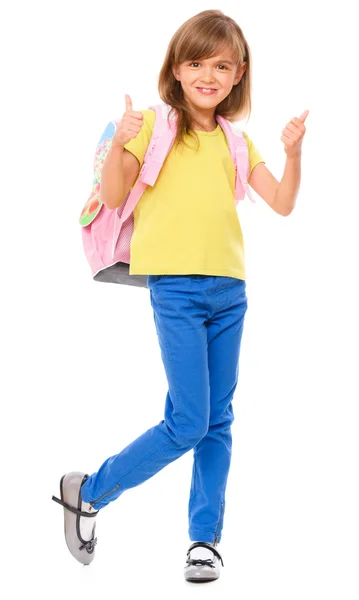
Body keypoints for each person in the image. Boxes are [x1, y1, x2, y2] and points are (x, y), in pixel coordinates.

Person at [52, 9, 308, 583]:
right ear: (175, 67)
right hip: (175, 289)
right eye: (196, 62)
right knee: (190, 421)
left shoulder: (238, 141)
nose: (208, 75)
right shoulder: (151, 124)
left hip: (231, 289)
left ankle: (203, 542)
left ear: (239, 73)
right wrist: (120, 143)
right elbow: (116, 195)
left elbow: (283, 203)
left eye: (221, 65)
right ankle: (89, 492)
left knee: (217, 419)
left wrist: (293, 153)